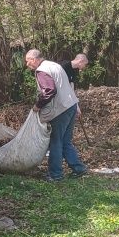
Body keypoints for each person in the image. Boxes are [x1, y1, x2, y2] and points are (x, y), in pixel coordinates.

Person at [25, 49, 88, 181]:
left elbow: (49, 91)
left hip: (60, 109)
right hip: (70, 106)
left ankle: (56, 174)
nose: (27, 64)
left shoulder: (42, 70)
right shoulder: (54, 65)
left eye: (28, 61)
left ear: (34, 59)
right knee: (65, 141)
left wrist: (38, 105)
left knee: (55, 142)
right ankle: (79, 168)